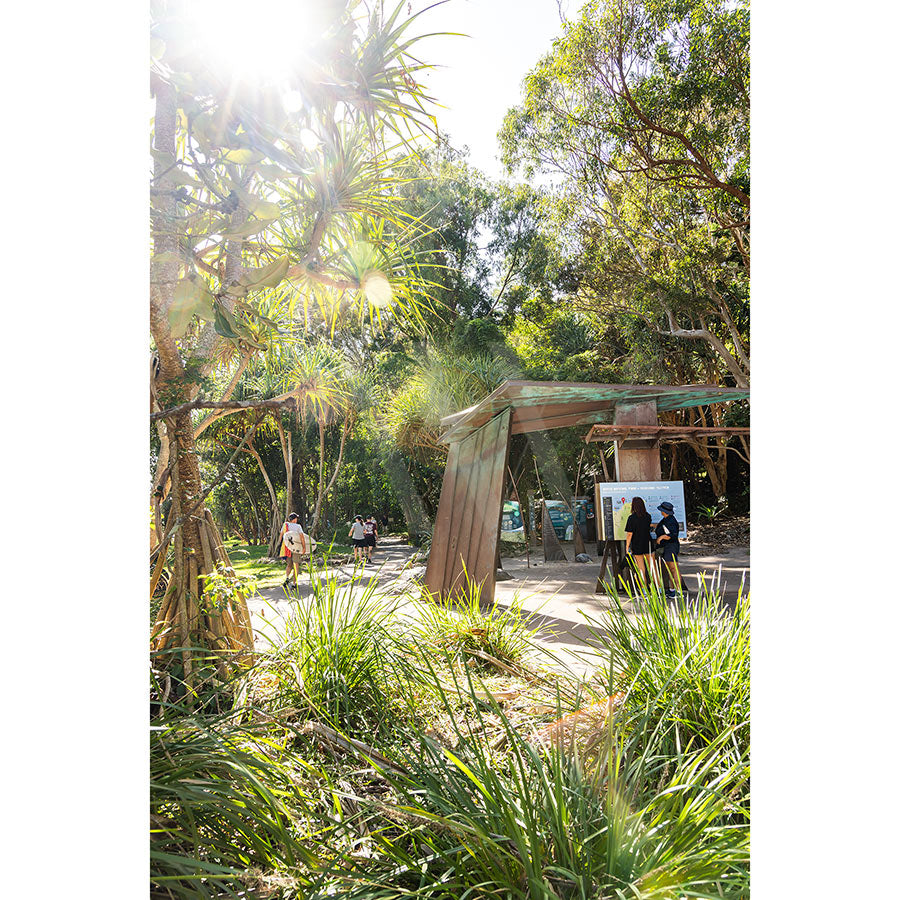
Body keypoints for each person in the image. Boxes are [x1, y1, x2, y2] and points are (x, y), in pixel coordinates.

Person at [624, 496, 653, 588]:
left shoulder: (631, 518)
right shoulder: (648, 516)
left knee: (641, 569)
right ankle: (659, 589)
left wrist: (627, 546)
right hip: (648, 543)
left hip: (637, 545)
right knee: (652, 568)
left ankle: (644, 591)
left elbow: (629, 534)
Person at [655, 501, 681, 599]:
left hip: (671, 547)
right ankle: (672, 589)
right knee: (671, 569)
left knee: (674, 568)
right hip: (668, 547)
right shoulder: (666, 519)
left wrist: (661, 537)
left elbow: (672, 535)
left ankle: (678, 591)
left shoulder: (671, 521)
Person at [280, 513, 307, 588]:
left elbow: (281, 535)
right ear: (294, 519)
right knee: (296, 565)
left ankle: (287, 578)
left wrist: (280, 546)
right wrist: (304, 548)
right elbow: (302, 537)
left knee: (289, 565)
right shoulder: (298, 526)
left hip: (287, 548)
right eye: (296, 518)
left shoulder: (285, 525)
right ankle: (294, 584)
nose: (297, 520)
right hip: (296, 548)